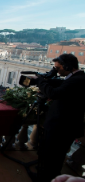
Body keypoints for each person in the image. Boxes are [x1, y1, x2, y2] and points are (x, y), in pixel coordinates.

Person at [35, 54, 85, 182]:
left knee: (53, 157)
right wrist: (47, 80)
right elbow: (63, 84)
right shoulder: (77, 78)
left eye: (58, 67)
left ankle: (48, 178)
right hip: (62, 125)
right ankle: (47, 175)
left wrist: (40, 81)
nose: (57, 70)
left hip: (61, 127)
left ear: (68, 66)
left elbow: (54, 93)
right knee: (52, 156)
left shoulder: (77, 80)